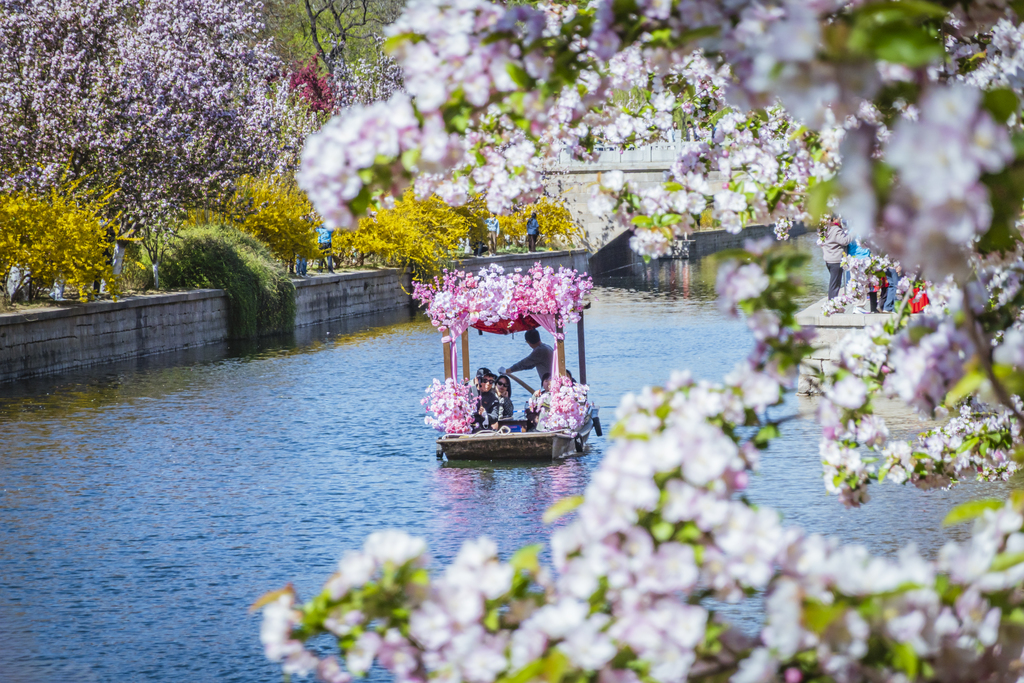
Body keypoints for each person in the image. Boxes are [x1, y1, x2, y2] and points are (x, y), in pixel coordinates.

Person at [820, 217, 851, 300]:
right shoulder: (836, 229)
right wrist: (852, 234)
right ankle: (832, 304)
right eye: (838, 218)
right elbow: (844, 241)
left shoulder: (826, 229)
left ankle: (832, 303)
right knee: (835, 284)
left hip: (829, 260)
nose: (840, 220)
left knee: (833, 282)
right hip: (836, 260)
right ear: (834, 219)